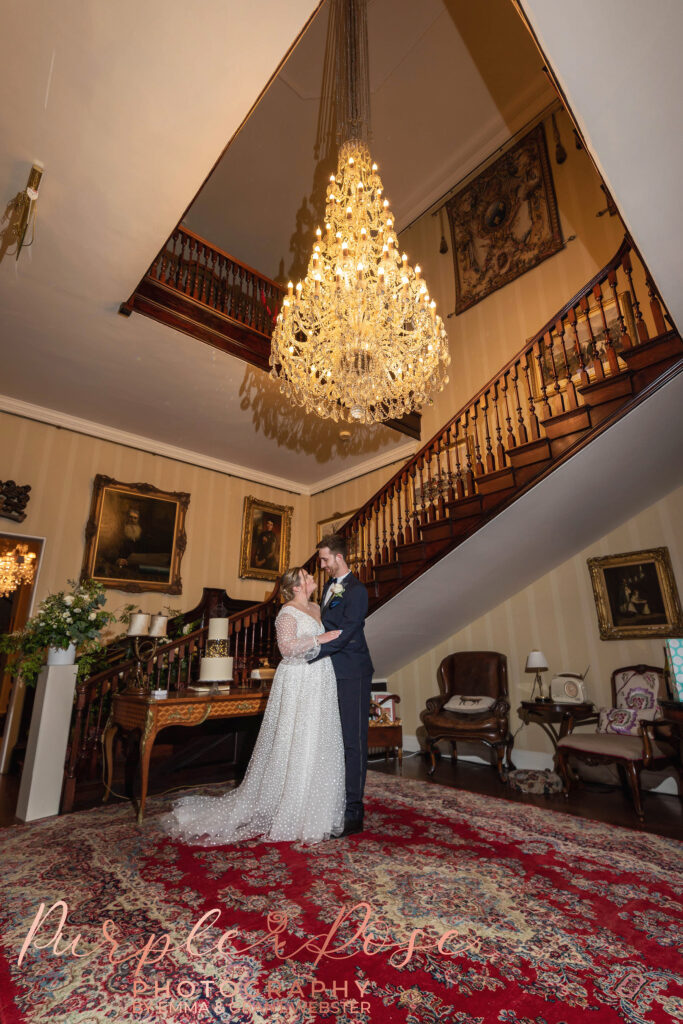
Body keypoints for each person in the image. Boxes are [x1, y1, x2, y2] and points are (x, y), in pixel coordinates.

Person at [159, 567, 345, 845]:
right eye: (307, 576)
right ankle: (288, 808)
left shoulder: (317, 608)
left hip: (320, 678)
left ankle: (313, 809)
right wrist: (319, 638)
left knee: (317, 738)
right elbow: (286, 648)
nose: (312, 578)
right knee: (294, 739)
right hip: (297, 680)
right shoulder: (286, 613)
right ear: (295, 586)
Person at [311, 533, 374, 838]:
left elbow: (345, 634)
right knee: (333, 739)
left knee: (353, 740)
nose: (321, 565)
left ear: (338, 557)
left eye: (324, 559)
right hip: (328, 671)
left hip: (353, 672)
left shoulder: (357, 591)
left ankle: (354, 810)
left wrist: (310, 654)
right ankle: (335, 800)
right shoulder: (327, 587)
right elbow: (325, 627)